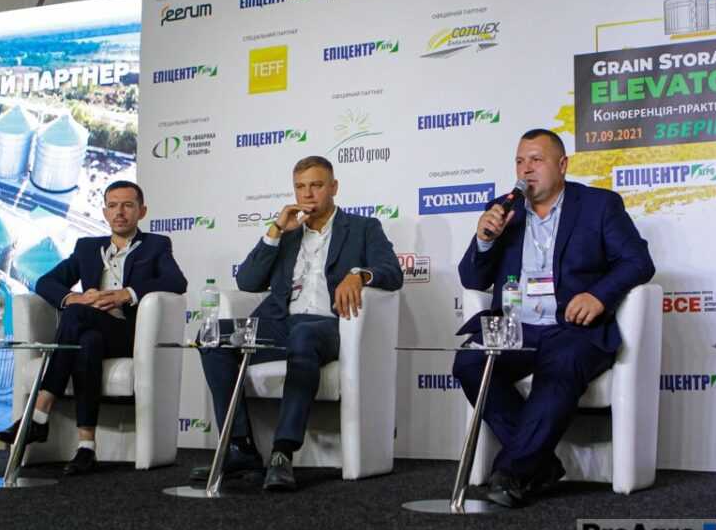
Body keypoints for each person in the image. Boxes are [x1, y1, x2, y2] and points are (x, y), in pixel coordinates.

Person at [452, 129, 654, 508]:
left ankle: (513, 471)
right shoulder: (504, 210)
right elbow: (473, 279)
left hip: (572, 329)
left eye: (536, 160)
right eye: (519, 161)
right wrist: (485, 240)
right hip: (515, 327)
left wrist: (599, 295)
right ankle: (539, 464)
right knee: (469, 363)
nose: (526, 169)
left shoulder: (598, 205)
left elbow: (638, 261)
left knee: (561, 363)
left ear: (562, 165)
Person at [193, 155, 402, 491]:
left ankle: (282, 452)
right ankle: (240, 447)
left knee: (304, 335)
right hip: (280, 322)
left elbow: (392, 272)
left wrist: (359, 274)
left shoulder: (363, 228)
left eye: (316, 185)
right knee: (211, 336)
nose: (307, 194)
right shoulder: (288, 233)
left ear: (334, 187)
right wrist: (275, 231)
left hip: (329, 325)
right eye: (300, 187)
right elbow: (247, 281)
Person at [0, 180, 188, 475]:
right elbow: (45, 282)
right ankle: (86, 447)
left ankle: (39, 413)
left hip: (130, 334)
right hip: (92, 329)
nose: (119, 212)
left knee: (75, 317)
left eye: (127, 205)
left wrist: (127, 294)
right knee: (88, 341)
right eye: (113, 206)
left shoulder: (156, 245)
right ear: (105, 212)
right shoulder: (87, 248)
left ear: (142, 211)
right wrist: (74, 297)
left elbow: (177, 282)